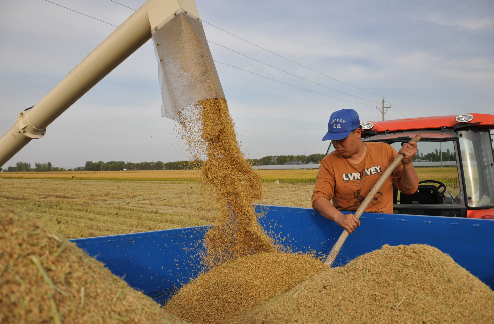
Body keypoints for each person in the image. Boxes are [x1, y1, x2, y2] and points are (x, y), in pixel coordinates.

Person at [312, 109, 419, 234]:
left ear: (358, 133)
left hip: (383, 226)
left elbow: (410, 188)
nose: (336, 144)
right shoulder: (329, 162)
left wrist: (407, 164)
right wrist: (339, 217)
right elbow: (319, 198)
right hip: (348, 229)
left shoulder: (385, 152)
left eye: (341, 138)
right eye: (333, 139)